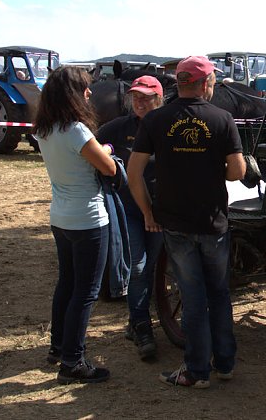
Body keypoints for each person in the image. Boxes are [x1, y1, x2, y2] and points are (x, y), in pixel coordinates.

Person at [128, 56, 245, 389]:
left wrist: (148, 212)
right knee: (219, 294)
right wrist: (213, 171)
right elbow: (237, 171)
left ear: (179, 83)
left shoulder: (155, 120)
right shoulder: (222, 118)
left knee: (192, 297)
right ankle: (224, 364)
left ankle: (197, 370)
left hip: (175, 224)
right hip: (213, 223)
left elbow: (133, 173)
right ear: (206, 83)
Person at [33, 66, 117, 384]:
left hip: (61, 216)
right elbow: (108, 168)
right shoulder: (77, 131)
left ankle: (58, 347)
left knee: (66, 284)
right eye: (85, 88)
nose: (90, 93)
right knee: (86, 292)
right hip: (89, 219)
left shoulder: (45, 129)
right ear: (73, 93)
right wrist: (107, 149)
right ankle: (73, 361)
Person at [96, 75, 165, 360]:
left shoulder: (168, 127)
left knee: (154, 269)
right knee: (137, 267)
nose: (139, 102)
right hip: (129, 212)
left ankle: (135, 321)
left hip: (160, 211)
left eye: (146, 97)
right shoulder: (118, 128)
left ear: (159, 99)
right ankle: (142, 326)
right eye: (136, 97)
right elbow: (90, 150)